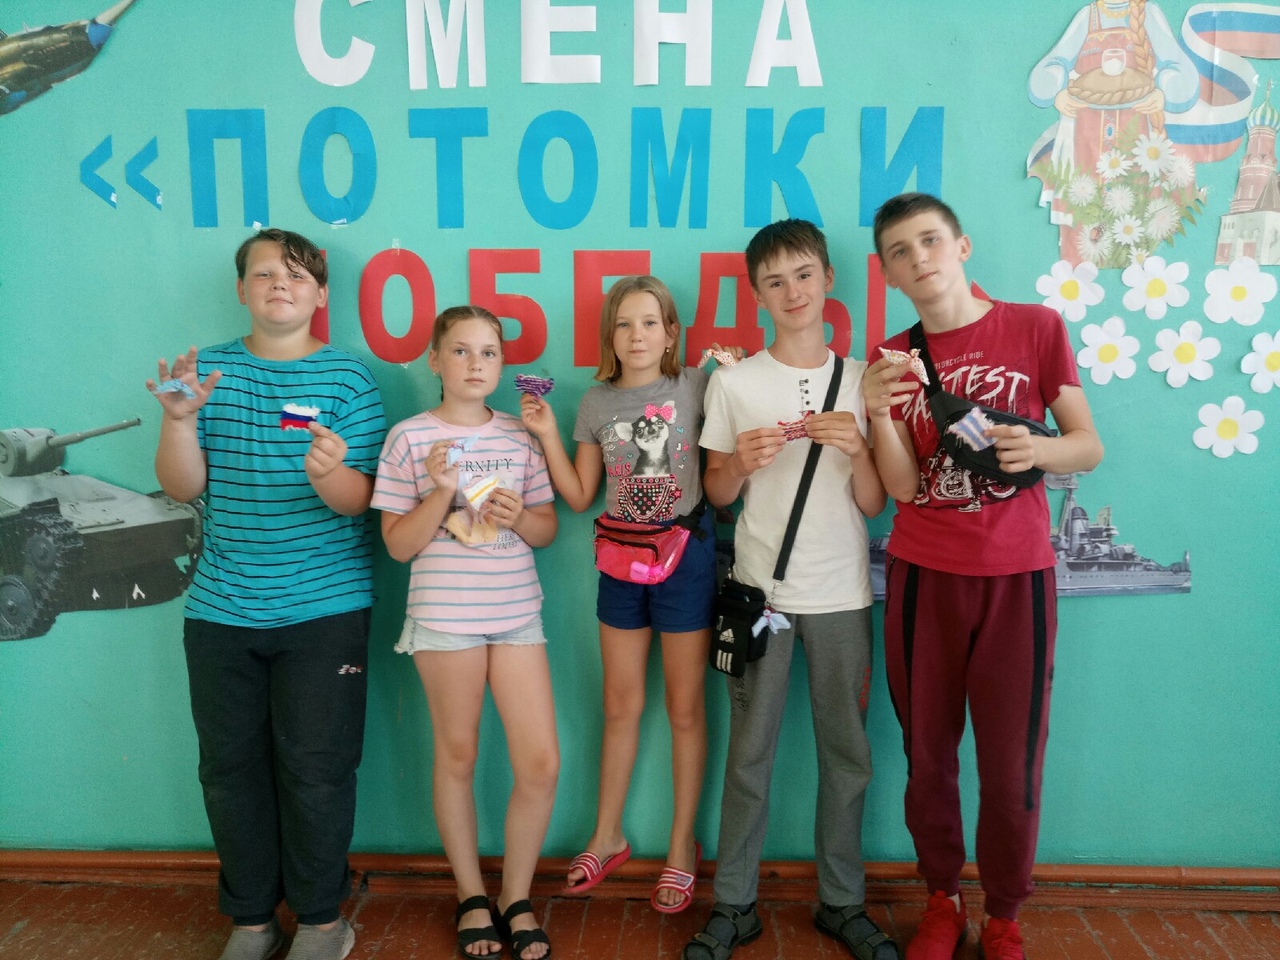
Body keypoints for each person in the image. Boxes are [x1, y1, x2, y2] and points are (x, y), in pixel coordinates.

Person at [864, 193, 1104, 960]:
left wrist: (1041, 452)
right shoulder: (890, 359)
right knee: (927, 756)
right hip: (923, 576)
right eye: (900, 251)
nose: (919, 258)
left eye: (930, 240)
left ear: (962, 246)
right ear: (888, 273)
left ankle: (1004, 914)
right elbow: (901, 489)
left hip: (1017, 575)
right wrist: (877, 414)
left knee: (1011, 761)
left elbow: (1088, 443)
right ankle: (942, 900)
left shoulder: (1036, 327)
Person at [149, 228, 386, 960]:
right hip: (220, 610)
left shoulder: (349, 380)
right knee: (229, 771)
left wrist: (329, 473)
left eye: (295, 275)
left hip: (326, 610)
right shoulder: (206, 374)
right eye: (263, 274)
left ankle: (321, 921)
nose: (279, 284)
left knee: (318, 770)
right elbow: (181, 486)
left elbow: (361, 502)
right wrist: (179, 419)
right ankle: (251, 919)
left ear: (320, 294)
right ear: (241, 289)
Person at [683, 220, 897, 960]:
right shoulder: (734, 383)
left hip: (842, 594)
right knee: (749, 755)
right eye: (775, 281)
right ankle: (734, 904)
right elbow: (715, 494)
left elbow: (874, 503)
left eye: (804, 275)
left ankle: (842, 902)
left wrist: (859, 446)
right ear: (757, 295)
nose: (793, 291)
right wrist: (738, 465)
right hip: (759, 595)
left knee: (848, 754)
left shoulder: (864, 379)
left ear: (829, 278)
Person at [521, 276, 732, 914]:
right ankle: (607, 835)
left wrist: (736, 372)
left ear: (671, 333)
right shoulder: (595, 401)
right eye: (623, 324)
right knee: (619, 703)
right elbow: (580, 496)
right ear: (609, 336)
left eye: (649, 322)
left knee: (685, 708)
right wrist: (547, 434)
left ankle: (681, 845)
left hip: (686, 560)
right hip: (618, 560)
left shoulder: (697, 385)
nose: (636, 335)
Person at [373, 306, 559, 960]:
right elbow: (398, 546)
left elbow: (546, 529)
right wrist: (440, 492)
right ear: (434, 359)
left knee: (541, 762)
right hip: (444, 618)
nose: (476, 363)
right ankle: (471, 895)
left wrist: (518, 516)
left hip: (516, 613)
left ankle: (516, 897)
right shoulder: (408, 438)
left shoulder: (520, 434)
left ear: (502, 365)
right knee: (458, 755)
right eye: (460, 350)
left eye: (488, 352)